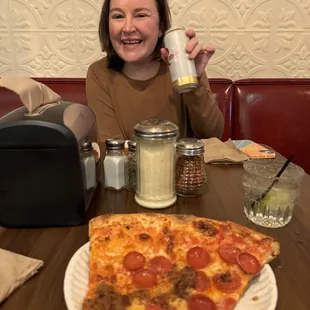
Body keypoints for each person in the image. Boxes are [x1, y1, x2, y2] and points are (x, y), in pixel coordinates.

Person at [86, 0, 224, 143]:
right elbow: (113, 150)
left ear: (161, 26)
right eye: (118, 16)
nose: (127, 28)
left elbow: (212, 135)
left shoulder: (180, 64)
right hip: (128, 166)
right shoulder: (99, 73)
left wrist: (195, 82)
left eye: (140, 15)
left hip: (181, 165)